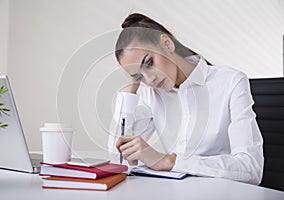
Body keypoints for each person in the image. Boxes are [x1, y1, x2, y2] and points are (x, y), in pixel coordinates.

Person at [107, 13, 264, 185]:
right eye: (139, 76)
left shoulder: (230, 82)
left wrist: (170, 162)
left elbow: (251, 169)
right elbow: (117, 157)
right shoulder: (151, 93)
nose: (149, 79)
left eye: (149, 63)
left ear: (167, 44)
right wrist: (131, 89)